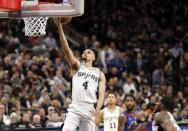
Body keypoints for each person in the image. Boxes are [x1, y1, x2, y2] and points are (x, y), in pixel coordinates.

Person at [54, 17, 106, 131]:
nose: (85, 52)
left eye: (88, 52)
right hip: (75, 107)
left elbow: (102, 94)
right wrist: (60, 28)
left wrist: (97, 109)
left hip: (90, 108)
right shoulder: (77, 66)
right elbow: (66, 49)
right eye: (84, 51)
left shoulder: (100, 74)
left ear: (94, 57)